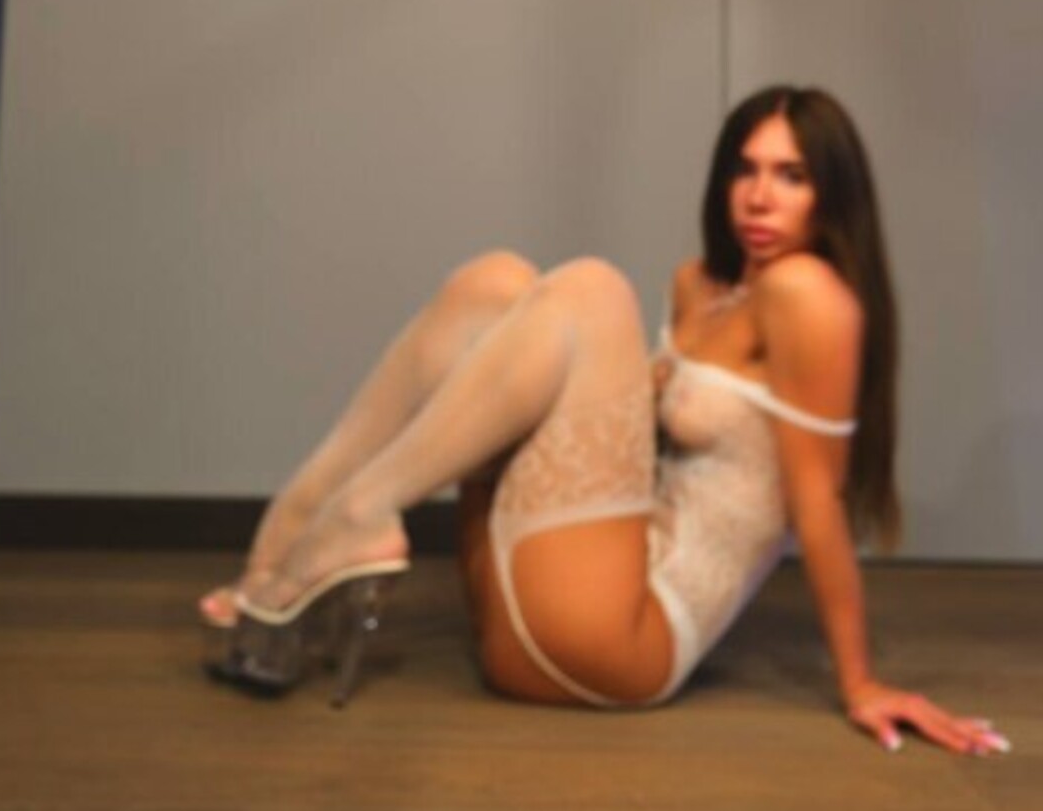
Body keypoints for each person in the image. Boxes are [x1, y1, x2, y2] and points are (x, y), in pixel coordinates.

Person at [202, 85, 1009, 755]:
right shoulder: (700, 284)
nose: (760, 196)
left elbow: (818, 504)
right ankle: (300, 524)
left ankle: (360, 512)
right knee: (496, 282)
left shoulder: (810, 297)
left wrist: (861, 683)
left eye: (792, 176)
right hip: (535, 608)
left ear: (833, 194)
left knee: (592, 289)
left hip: (621, 640)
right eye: (746, 169)